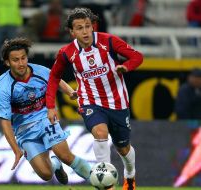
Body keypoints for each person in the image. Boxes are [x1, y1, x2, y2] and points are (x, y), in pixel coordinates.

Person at [46, 8, 143, 190]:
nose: (85, 31)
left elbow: (137, 57)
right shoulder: (67, 53)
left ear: (93, 27)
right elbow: (53, 78)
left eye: (87, 26)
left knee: (123, 148)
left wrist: (126, 67)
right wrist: (50, 106)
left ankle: (130, 176)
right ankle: (106, 185)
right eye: (80, 28)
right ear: (72, 32)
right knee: (100, 133)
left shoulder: (109, 41)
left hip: (117, 102)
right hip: (90, 101)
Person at [0, 37, 91, 185]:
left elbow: (56, 80)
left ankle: (99, 182)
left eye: (23, 58)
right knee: (46, 174)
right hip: (24, 131)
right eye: (15, 60)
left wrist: (71, 92)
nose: (21, 63)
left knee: (65, 155)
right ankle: (55, 164)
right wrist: (15, 149)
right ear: (7, 62)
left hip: (45, 119)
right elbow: (5, 121)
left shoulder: (40, 71)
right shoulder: (4, 86)